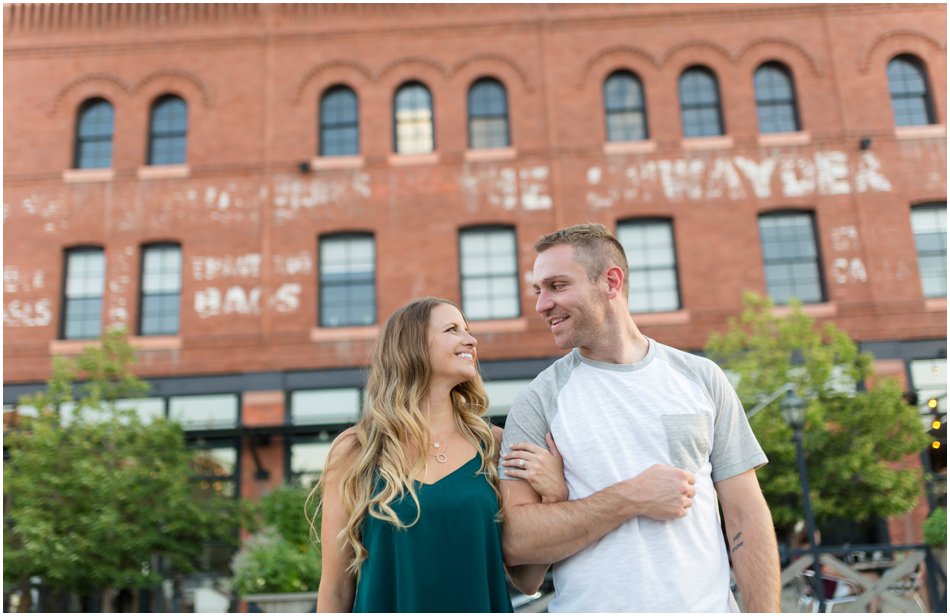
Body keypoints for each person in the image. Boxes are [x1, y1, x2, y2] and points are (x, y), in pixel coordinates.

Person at [498, 223, 782, 612]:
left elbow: (746, 516)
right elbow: (517, 545)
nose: (541, 304)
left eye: (557, 286)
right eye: (538, 290)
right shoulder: (539, 400)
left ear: (611, 282)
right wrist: (631, 497)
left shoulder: (701, 378)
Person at [314, 297, 566, 613]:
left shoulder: (495, 445)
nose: (470, 340)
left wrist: (554, 498)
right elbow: (336, 590)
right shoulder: (356, 449)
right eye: (452, 329)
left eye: (468, 330)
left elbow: (527, 580)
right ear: (412, 346)